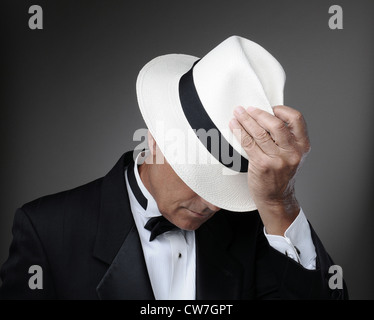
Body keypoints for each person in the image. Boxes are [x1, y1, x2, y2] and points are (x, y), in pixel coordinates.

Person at [0, 36, 347, 299]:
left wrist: (280, 204)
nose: (213, 204)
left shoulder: (260, 234)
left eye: (227, 183)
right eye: (201, 175)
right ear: (155, 137)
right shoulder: (47, 231)